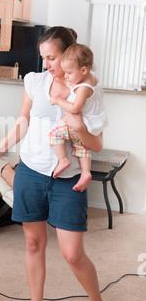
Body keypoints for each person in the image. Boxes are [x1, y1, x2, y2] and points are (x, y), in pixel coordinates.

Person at [0, 26, 106, 301]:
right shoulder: (35, 81)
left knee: (72, 254)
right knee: (34, 242)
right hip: (31, 171)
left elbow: (97, 144)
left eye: (51, 57)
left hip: (68, 179)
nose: (46, 64)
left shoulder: (87, 88)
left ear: (69, 54)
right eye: (43, 57)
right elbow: (22, 121)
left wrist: (78, 126)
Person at [48, 43, 108, 192]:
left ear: (83, 70)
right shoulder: (92, 81)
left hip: (79, 122)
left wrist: (58, 100)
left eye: (69, 72)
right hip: (91, 126)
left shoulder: (83, 88)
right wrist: (73, 79)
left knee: (54, 133)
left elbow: (75, 107)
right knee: (81, 146)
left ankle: (63, 160)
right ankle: (86, 172)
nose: (66, 76)